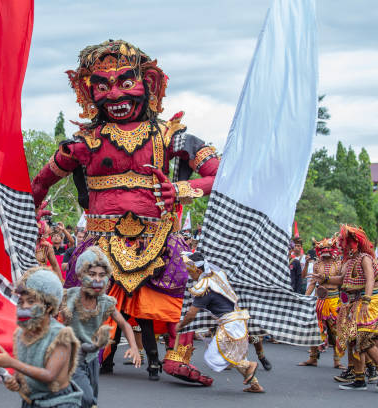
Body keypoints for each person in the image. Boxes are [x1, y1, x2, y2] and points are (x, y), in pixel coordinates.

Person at [33, 40, 220, 384]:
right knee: (77, 293)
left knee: (185, 288)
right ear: (90, 93)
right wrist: (24, 212)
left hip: (159, 238)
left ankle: (177, 355)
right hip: (99, 242)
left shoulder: (171, 137)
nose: (115, 96)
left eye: (125, 83)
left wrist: (177, 189)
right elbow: (40, 183)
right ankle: (75, 349)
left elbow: (219, 174)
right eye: (103, 87)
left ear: (148, 83)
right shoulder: (84, 143)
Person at [0, 267, 83, 407]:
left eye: (31, 302)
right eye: (21, 302)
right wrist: (14, 382)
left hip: (60, 403)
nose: (24, 306)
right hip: (32, 402)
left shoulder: (61, 335)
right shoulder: (20, 334)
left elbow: (50, 375)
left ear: (49, 307)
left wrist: (11, 363)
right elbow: (24, 373)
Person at [60, 247, 141, 407]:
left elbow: (124, 324)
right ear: (81, 275)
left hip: (92, 359)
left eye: (102, 275)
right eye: (92, 274)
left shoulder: (106, 302)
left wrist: (134, 347)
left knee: (91, 401)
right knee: (86, 398)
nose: (97, 279)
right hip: (71, 358)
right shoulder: (68, 296)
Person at [176, 252, 264, 393]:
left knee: (213, 357)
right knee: (235, 355)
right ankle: (255, 385)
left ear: (198, 270)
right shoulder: (215, 276)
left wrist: (180, 325)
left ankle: (250, 365)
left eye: (190, 271)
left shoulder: (204, 287)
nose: (189, 274)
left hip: (230, 324)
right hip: (236, 321)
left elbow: (191, 314)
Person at [320, 225, 378, 391]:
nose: (345, 246)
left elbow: (370, 279)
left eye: (347, 243)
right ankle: (359, 379)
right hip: (352, 303)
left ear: (356, 243)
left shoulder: (365, 258)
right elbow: (341, 280)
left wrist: (366, 300)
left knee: (363, 338)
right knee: (352, 340)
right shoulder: (348, 261)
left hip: (370, 301)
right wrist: (324, 278)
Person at [300, 235, 343, 369]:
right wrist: (305, 299)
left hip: (334, 301)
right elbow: (313, 282)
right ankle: (313, 358)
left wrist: (325, 278)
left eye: (328, 248)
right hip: (320, 300)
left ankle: (337, 361)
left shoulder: (338, 264)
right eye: (323, 248)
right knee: (315, 329)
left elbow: (341, 281)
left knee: (336, 331)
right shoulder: (318, 264)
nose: (325, 250)